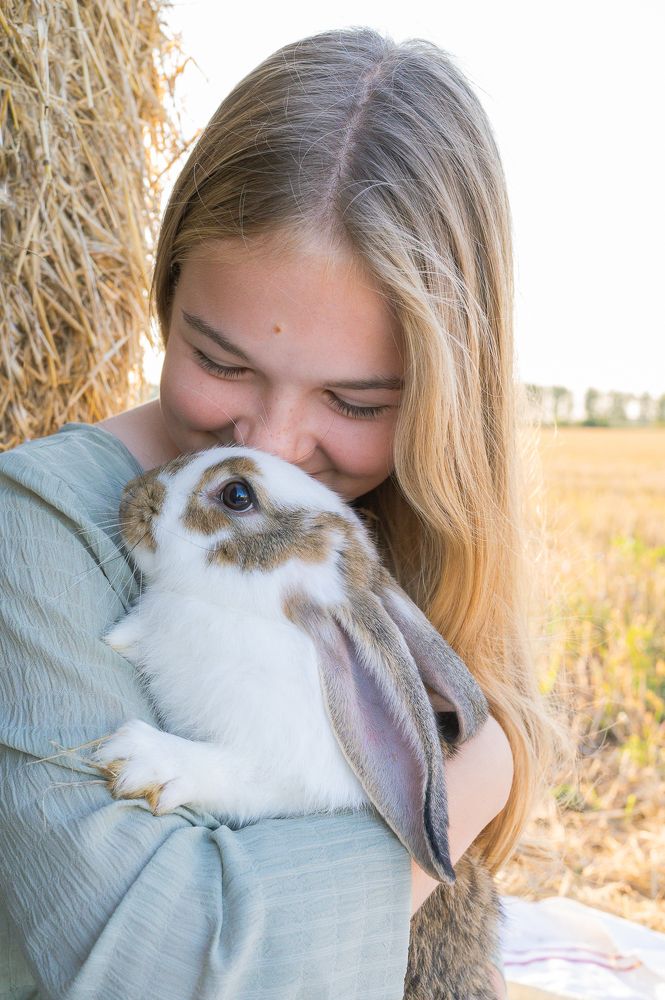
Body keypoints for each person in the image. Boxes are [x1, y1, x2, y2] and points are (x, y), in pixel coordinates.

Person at [0, 26, 562, 999]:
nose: (264, 448)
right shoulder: (31, 535)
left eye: (353, 404)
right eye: (219, 359)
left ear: (437, 402)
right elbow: (168, 963)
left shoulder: (388, 533)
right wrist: (483, 775)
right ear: (165, 292)